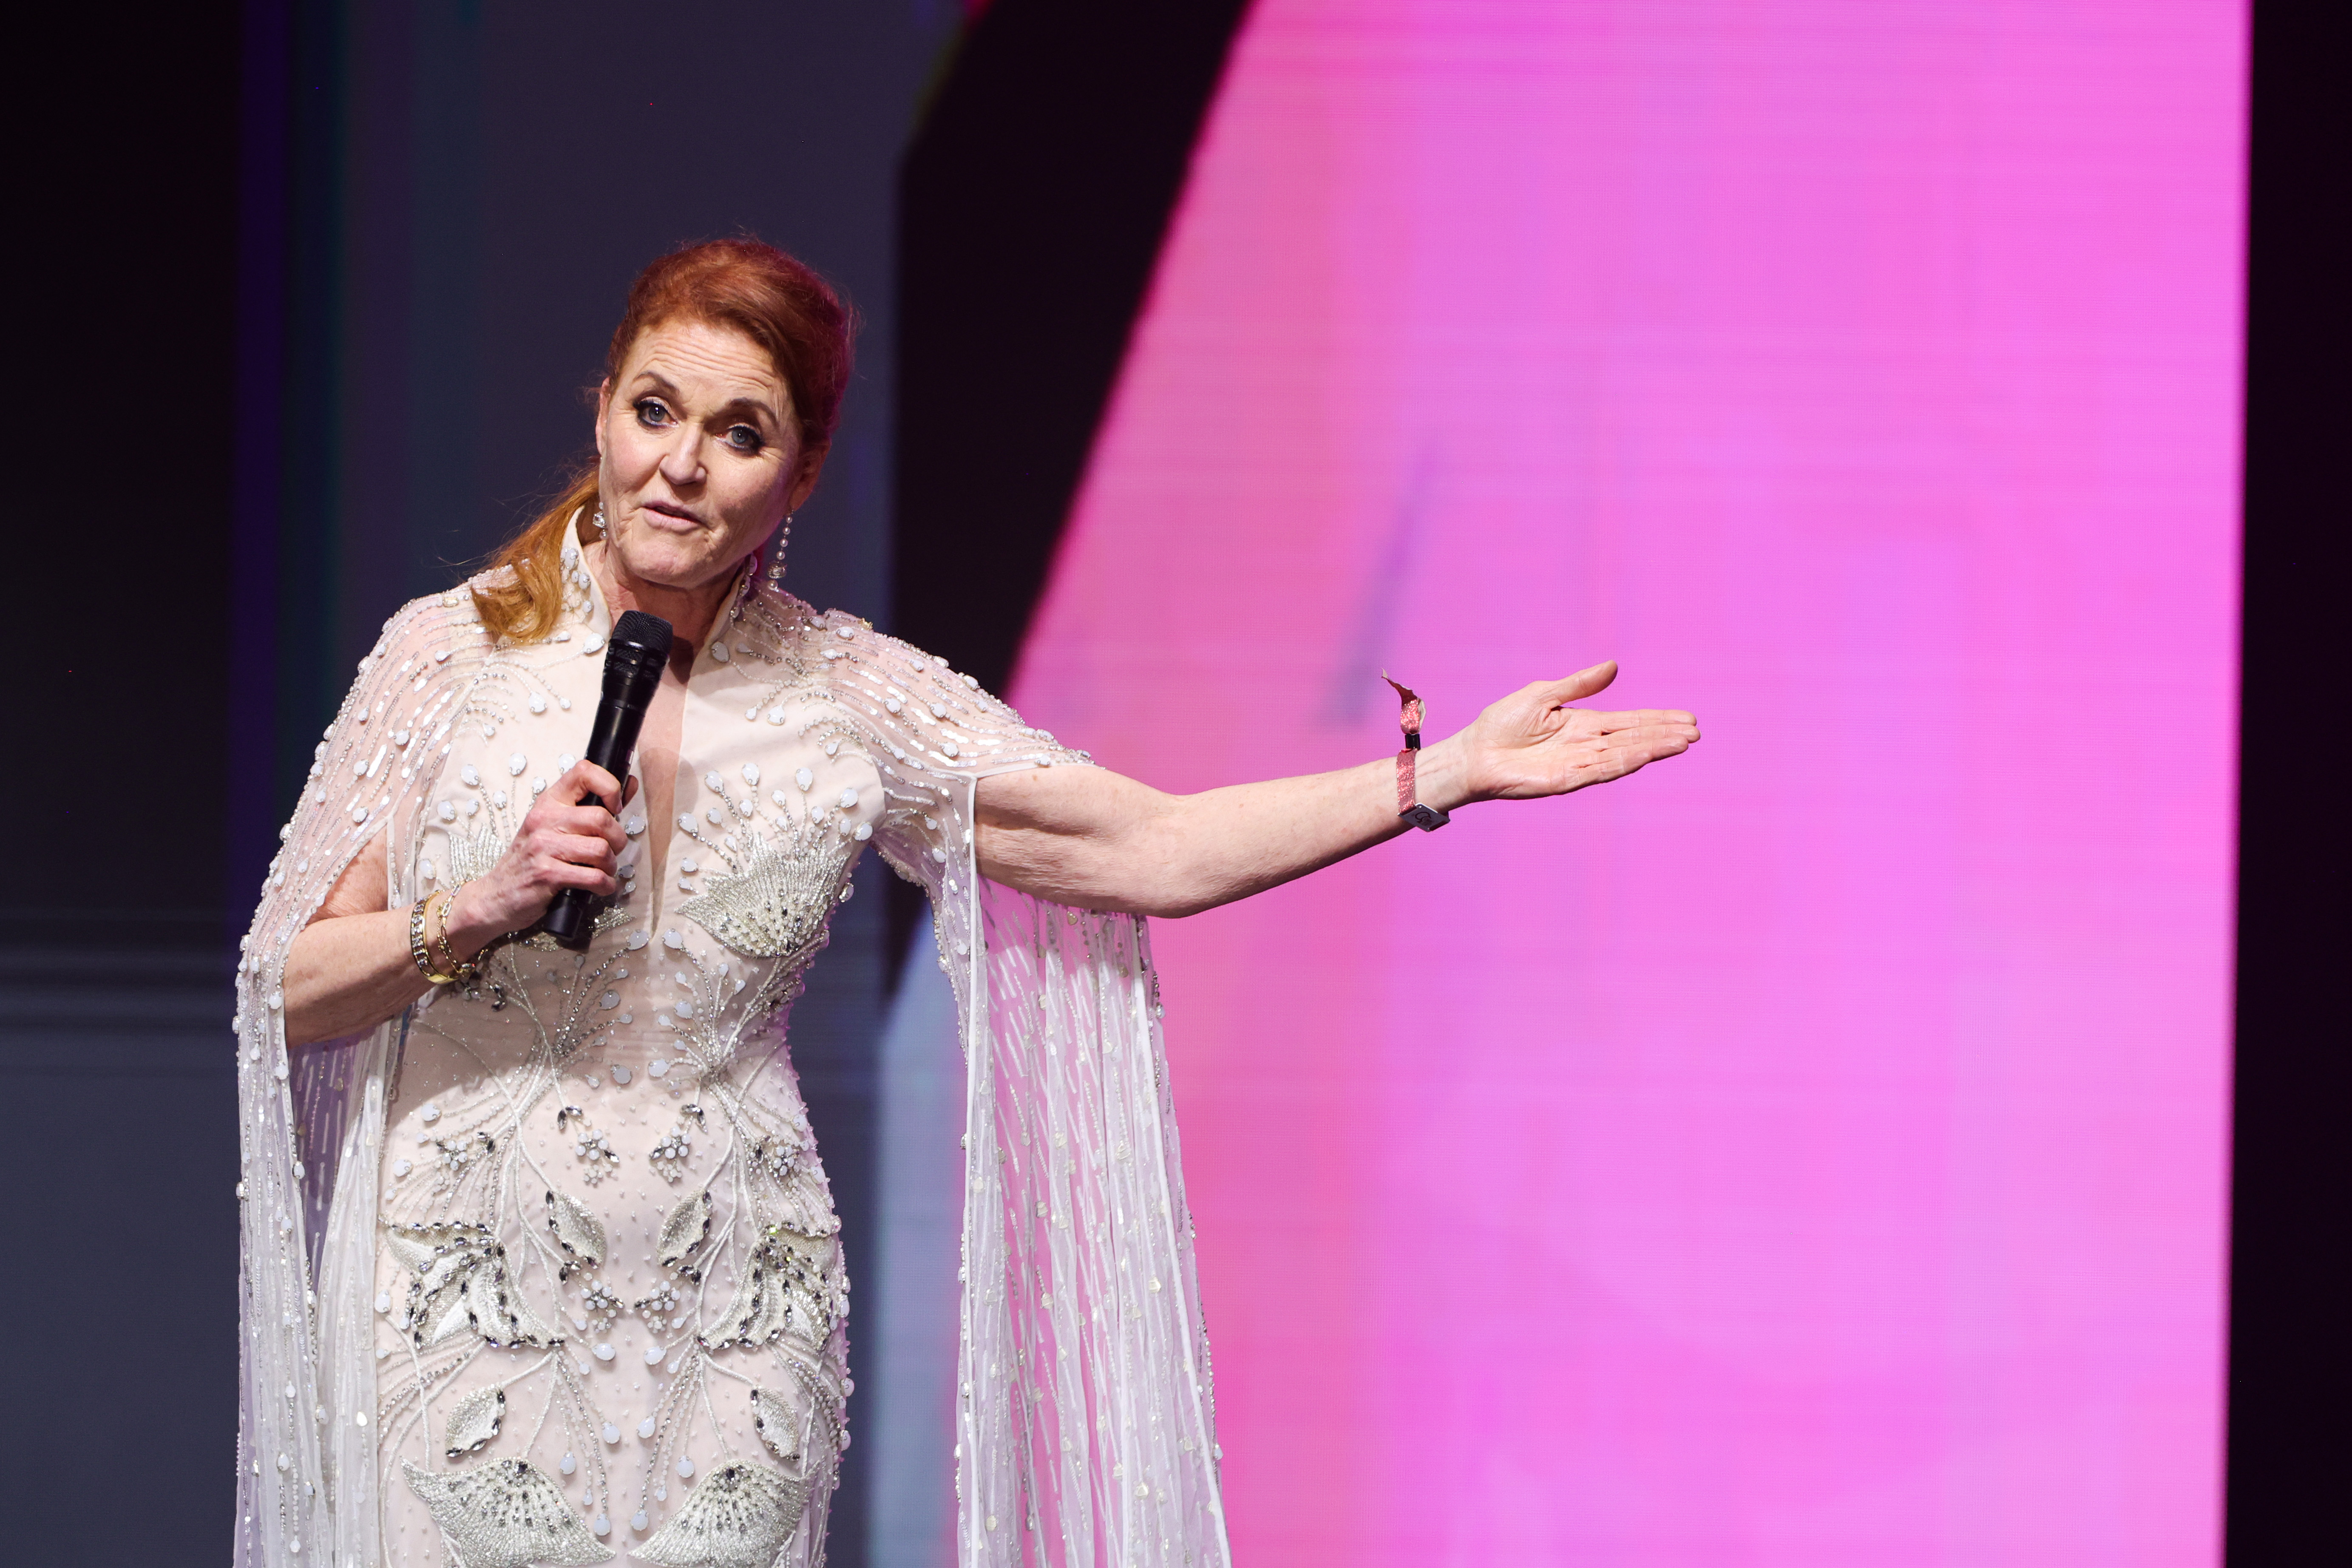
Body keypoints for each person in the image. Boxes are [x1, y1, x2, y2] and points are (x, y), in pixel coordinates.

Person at [232, 238, 1698, 1568]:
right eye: (656, 411)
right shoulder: (448, 657)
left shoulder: (849, 694)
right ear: (603, 409)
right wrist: (476, 904)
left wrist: (1436, 776)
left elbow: (1153, 847)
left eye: (742, 433)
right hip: (467, 1299)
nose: (681, 466)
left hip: (737, 1315)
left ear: (798, 477)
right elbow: (284, 987)